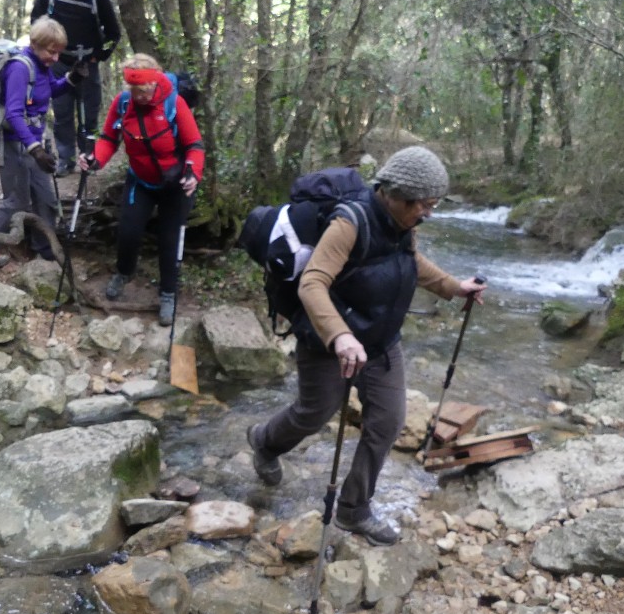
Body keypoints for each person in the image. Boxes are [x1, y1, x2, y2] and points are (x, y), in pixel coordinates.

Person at [245, 147, 486, 546]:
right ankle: (264, 441)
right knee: (313, 412)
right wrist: (340, 336)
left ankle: (353, 509)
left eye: (433, 205)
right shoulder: (349, 223)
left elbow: (411, 261)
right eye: (424, 205)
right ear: (395, 195)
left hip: (380, 340)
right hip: (329, 342)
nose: (428, 213)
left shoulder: (404, 225)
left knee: (388, 422)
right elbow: (312, 283)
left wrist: (452, 286)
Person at [77, 53, 205, 326]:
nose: (141, 97)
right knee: (129, 231)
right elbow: (109, 138)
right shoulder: (123, 104)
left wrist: (193, 171)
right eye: (136, 91)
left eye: (145, 91)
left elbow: (194, 144)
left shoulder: (175, 103)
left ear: (155, 83)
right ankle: (124, 272)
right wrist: (95, 159)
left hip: (175, 184)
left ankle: (168, 293)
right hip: (141, 181)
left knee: (169, 240)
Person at [0, 16, 83, 269]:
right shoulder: (20, 67)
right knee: (16, 200)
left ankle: (45, 251)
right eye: (51, 52)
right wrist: (35, 149)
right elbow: (13, 113)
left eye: (58, 53)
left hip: (35, 143)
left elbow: (48, 90)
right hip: (14, 144)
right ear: (34, 44)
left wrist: (71, 79)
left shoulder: (41, 65)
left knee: (46, 200)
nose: (55, 58)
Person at [31, 0, 121, 177]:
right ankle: (65, 160)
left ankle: (88, 158)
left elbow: (113, 33)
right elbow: (36, 23)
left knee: (88, 114)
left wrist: (97, 57)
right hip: (58, 61)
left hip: (87, 62)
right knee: (61, 112)